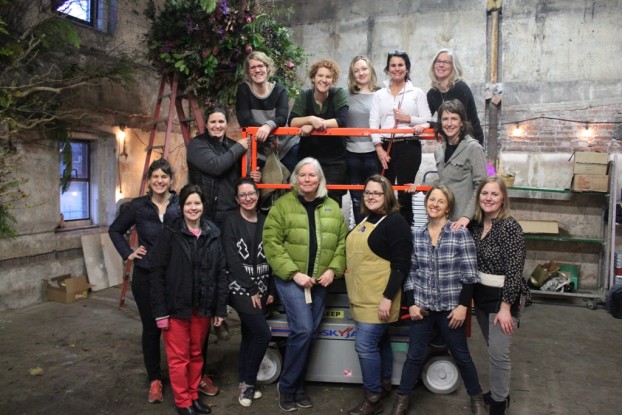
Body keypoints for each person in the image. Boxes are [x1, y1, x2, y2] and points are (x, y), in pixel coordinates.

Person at [390, 186, 485, 415]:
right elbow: (410, 273)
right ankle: (402, 399)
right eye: (431, 199)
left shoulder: (460, 233)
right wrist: (411, 303)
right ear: (426, 203)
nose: (434, 204)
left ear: (448, 207)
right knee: (413, 355)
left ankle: (477, 399)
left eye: (440, 201)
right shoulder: (416, 234)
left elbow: (469, 274)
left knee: (461, 355)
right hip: (422, 309)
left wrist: (463, 306)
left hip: (451, 309)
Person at [263, 157, 348, 412]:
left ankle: (298, 386)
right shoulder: (282, 206)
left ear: (320, 179)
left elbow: (342, 243)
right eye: (303, 175)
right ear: (296, 179)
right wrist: (293, 273)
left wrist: (333, 269)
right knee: (303, 330)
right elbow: (271, 243)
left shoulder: (332, 207)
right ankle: (287, 387)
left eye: (312, 175)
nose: (308, 179)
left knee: (309, 333)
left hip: (320, 283)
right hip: (292, 281)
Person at [150, 185, 228, 415]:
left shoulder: (213, 233)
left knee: (196, 355)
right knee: (179, 359)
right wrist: (160, 312)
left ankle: (193, 396)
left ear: (203, 206)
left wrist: (219, 309)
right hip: (176, 308)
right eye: (188, 204)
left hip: (202, 307)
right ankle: (183, 402)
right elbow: (156, 272)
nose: (193, 208)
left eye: (197, 203)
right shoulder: (170, 233)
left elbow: (220, 272)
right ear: (181, 206)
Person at [108, 158, 181, 404]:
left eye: (164, 177)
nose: (160, 181)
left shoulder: (180, 204)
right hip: (147, 275)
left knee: (180, 326)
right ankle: (155, 379)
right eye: (155, 177)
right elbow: (115, 229)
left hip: (175, 275)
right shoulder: (138, 206)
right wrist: (129, 252)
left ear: (171, 180)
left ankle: (189, 374)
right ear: (149, 181)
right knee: (151, 329)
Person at [345, 174, 412, 415]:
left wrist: (387, 297)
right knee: (379, 342)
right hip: (362, 295)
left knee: (364, 345)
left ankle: (372, 397)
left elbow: (401, 265)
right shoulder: (367, 219)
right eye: (368, 192)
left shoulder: (395, 223)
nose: (371, 196)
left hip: (379, 298)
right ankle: (383, 385)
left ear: (388, 196)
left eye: (377, 193)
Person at [469, 176, 529, 415]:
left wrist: (506, 308)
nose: (489, 198)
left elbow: (515, 271)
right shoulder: (475, 225)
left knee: (498, 355)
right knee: (492, 347)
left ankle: (498, 405)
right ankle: (499, 392)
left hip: (503, 299)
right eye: (485, 193)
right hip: (481, 298)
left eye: (494, 194)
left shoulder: (510, 227)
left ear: (503, 198)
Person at [221, 178, 274, 407]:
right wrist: (251, 287)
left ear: (257, 194)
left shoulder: (265, 221)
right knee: (263, 334)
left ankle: (243, 378)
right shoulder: (230, 222)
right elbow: (231, 259)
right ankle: (249, 385)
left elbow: (272, 256)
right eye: (242, 195)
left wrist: (270, 289)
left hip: (263, 286)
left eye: (251, 193)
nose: (248, 198)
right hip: (241, 287)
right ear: (237, 199)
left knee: (250, 335)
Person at [369, 50, 431, 226]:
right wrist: (378, 147)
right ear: (388, 69)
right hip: (384, 146)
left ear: (407, 68)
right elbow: (373, 122)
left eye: (400, 65)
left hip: (408, 146)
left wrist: (409, 119)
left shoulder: (416, 92)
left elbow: (428, 119)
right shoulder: (380, 94)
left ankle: (405, 233)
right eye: (393, 65)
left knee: (405, 194)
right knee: (383, 191)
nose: (397, 69)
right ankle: (384, 229)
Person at [187, 103, 261, 229]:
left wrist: (253, 177)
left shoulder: (233, 146)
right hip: (207, 218)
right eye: (213, 122)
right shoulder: (196, 145)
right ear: (206, 124)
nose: (217, 125)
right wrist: (239, 147)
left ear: (227, 124)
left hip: (234, 215)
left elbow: (241, 179)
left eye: (221, 121)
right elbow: (217, 166)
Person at [288, 59, 349, 205]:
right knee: (307, 199)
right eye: (320, 76)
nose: (324, 80)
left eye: (328, 77)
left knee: (332, 202)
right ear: (313, 78)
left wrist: (314, 125)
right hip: (309, 158)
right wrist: (310, 119)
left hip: (335, 159)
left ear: (333, 80)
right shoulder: (305, 96)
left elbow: (342, 121)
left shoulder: (338, 93)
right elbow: (292, 122)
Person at [235, 51, 299, 173]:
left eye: (261, 66)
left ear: (268, 68)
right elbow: (244, 120)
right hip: (261, 149)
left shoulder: (279, 90)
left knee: (291, 186)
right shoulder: (244, 91)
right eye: (253, 67)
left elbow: (282, 118)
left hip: (286, 146)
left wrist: (267, 126)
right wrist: (269, 136)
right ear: (248, 72)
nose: (257, 70)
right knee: (264, 188)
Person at [432, 99, 487, 231]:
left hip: (466, 223)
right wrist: (420, 188)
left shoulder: (473, 148)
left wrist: (467, 216)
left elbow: (481, 186)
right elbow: (444, 182)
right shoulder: (439, 150)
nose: (449, 124)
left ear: (462, 122)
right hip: (444, 220)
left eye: (454, 119)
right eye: (445, 119)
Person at [346, 56, 382, 225]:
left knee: (376, 194)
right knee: (356, 197)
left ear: (370, 70)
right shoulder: (346, 95)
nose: (361, 73)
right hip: (351, 153)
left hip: (374, 152)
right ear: (352, 75)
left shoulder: (381, 94)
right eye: (356, 70)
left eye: (364, 69)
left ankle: (375, 233)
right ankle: (360, 234)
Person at [427, 49, 484, 145]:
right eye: (438, 61)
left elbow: (456, 123)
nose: (441, 65)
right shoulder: (432, 93)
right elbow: (425, 117)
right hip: (449, 140)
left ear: (454, 66)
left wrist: (429, 124)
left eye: (446, 62)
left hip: (469, 141)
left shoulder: (461, 89)